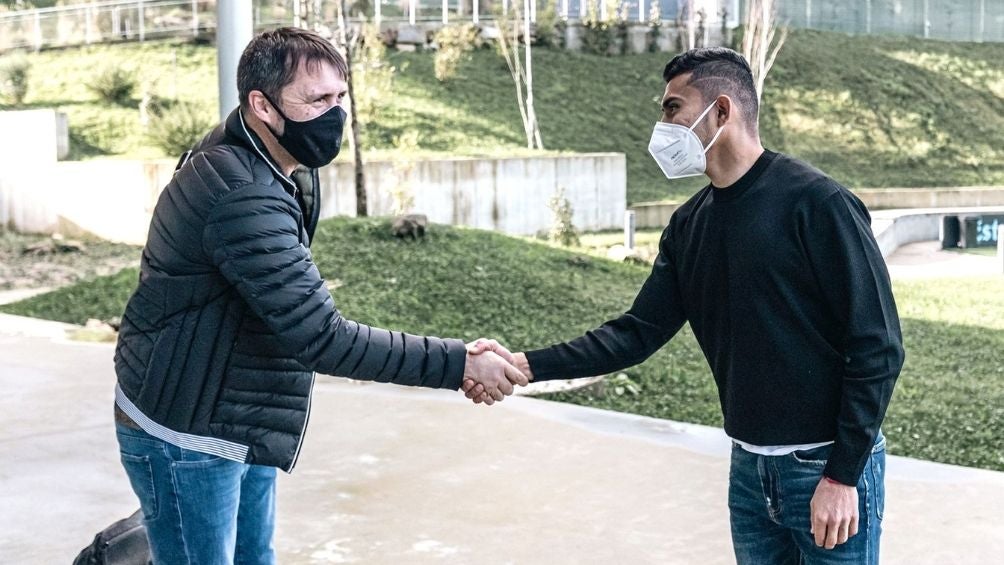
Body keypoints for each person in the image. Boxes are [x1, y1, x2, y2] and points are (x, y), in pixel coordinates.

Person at [467, 47, 904, 564]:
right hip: (749, 471)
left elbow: (878, 346)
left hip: (825, 467)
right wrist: (524, 364)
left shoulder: (818, 203)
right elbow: (636, 332)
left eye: (673, 107)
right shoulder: (689, 224)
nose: (663, 125)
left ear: (721, 111)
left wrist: (842, 475)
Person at [113, 27, 526, 564]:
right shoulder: (241, 193)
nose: (334, 115)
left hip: (238, 411)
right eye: (316, 100)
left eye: (339, 97)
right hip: (187, 431)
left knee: (255, 556)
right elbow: (322, 338)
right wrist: (459, 363)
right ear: (262, 105)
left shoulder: (280, 163)